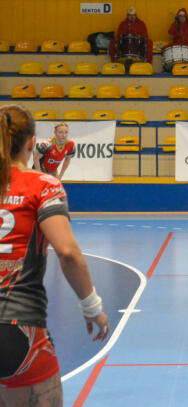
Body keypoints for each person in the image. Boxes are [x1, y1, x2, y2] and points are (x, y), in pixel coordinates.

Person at [0, 104, 109, 406]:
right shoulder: (42, 185)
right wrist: (91, 306)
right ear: (32, 143)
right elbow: (68, 252)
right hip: (17, 324)